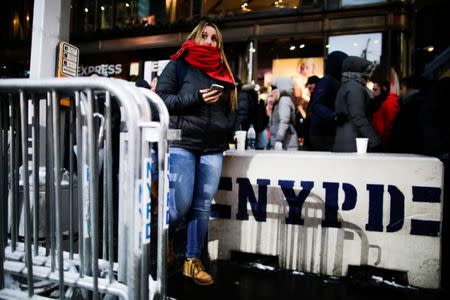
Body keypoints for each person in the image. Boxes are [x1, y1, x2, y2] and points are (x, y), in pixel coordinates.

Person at [156, 20, 236, 286]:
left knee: (202, 206)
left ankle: (192, 260)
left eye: (215, 39)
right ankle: (162, 243)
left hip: (213, 148)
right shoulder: (179, 64)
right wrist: (197, 98)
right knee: (179, 208)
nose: (210, 42)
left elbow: (230, 109)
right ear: (194, 37)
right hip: (182, 144)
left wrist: (227, 130)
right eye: (205, 36)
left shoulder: (223, 70)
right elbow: (162, 100)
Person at [333, 56, 381, 152]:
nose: (370, 74)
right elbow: (358, 116)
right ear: (360, 71)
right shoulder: (355, 88)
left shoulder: (347, 85)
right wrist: (374, 141)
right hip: (354, 141)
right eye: (368, 70)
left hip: (347, 138)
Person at [308, 51, 348, 151]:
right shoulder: (327, 80)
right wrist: (334, 116)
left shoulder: (333, 80)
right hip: (322, 133)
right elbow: (317, 104)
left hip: (326, 131)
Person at [268, 77, 298, 150]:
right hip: (283, 143)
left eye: (274, 88)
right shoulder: (279, 101)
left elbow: (284, 121)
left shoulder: (284, 100)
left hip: (286, 144)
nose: (272, 90)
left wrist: (279, 140)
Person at [371, 80, 399, 151]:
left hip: (385, 143)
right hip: (381, 141)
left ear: (384, 89)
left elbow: (389, 125)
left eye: (375, 89)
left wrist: (383, 143)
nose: (373, 92)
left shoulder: (390, 103)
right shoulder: (382, 102)